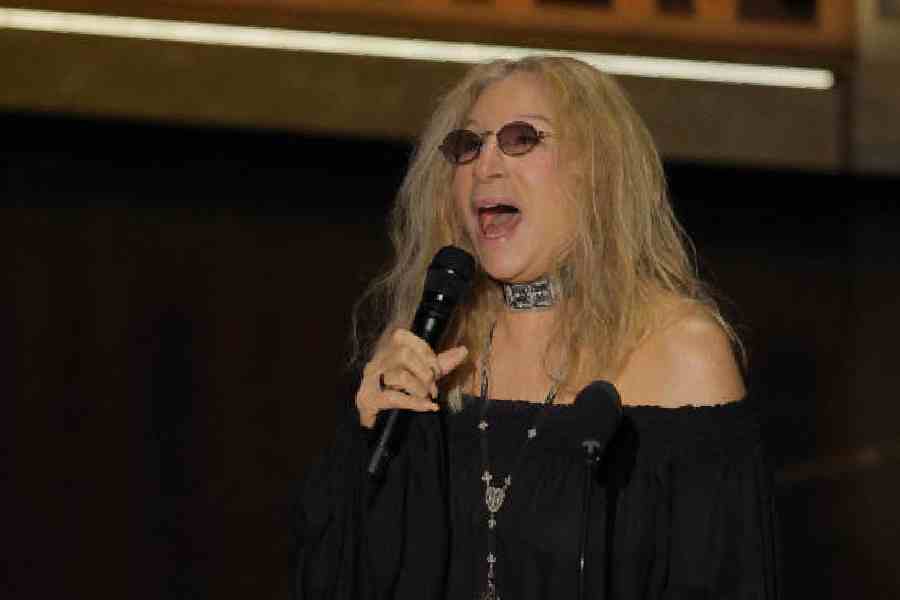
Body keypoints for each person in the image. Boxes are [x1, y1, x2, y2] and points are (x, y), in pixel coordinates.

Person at [291, 56, 779, 600]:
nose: (486, 165)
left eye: (522, 139)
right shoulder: (424, 348)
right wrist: (364, 449)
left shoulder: (682, 353)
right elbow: (339, 574)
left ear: (597, 170)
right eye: (467, 146)